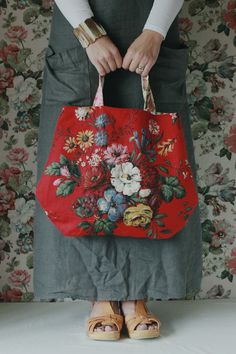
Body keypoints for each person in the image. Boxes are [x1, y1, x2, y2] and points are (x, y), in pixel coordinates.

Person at [33, 0, 203, 341]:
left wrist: (155, 31)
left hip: (153, 30)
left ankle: (136, 295)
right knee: (83, 174)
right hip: (79, 35)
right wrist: (88, 31)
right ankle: (101, 296)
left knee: (151, 171)